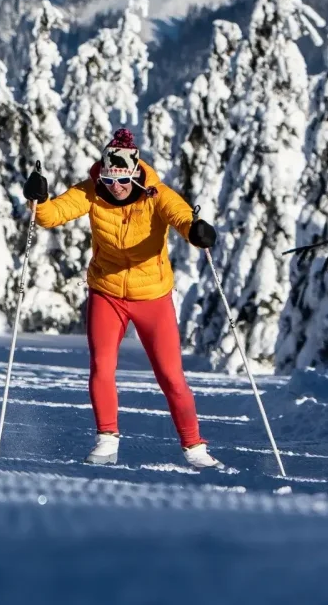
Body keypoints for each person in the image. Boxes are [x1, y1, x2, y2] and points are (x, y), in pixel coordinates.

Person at [26, 127, 222, 470]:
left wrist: (196, 231)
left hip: (153, 296)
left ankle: (194, 447)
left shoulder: (156, 194)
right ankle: (106, 440)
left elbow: (182, 217)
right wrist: (39, 200)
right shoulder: (91, 191)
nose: (115, 187)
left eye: (122, 180)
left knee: (171, 376)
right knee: (102, 365)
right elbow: (50, 215)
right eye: (109, 179)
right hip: (107, 291)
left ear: (135, 176)